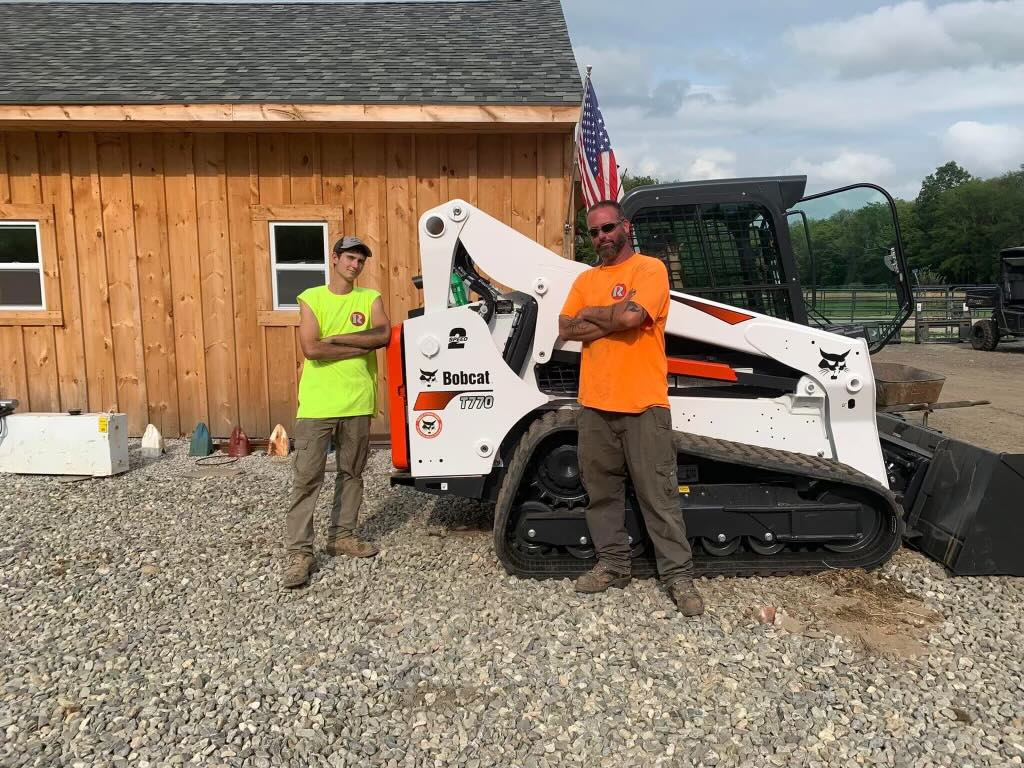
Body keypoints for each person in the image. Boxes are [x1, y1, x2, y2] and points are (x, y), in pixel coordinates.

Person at [558, 201, 704, 617]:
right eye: (594, 232)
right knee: (601, 493)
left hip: (644, 404)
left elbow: (633, 317)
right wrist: (613, 317)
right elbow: (565, 327)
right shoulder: (586, 278)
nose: (602, 236)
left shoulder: (649, 269)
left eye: (608, 228)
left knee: (658, 494)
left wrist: (594, 315)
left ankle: (677, 576)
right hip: (595, 406)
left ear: (625, 226)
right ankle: (613, 565)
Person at [282, 235, 391, 589]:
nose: (355, 265)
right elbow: (312, 349)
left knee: (352, 472)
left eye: (360, 261)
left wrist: (335, 340)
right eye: (349, 258)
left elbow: (383, 335)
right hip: (318, 404)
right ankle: (300, 552)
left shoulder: (369, 298)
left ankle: (342, 535)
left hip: (358, 401)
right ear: (335, 258)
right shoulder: (311, 298)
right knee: (308, 477)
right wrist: (357, 344)